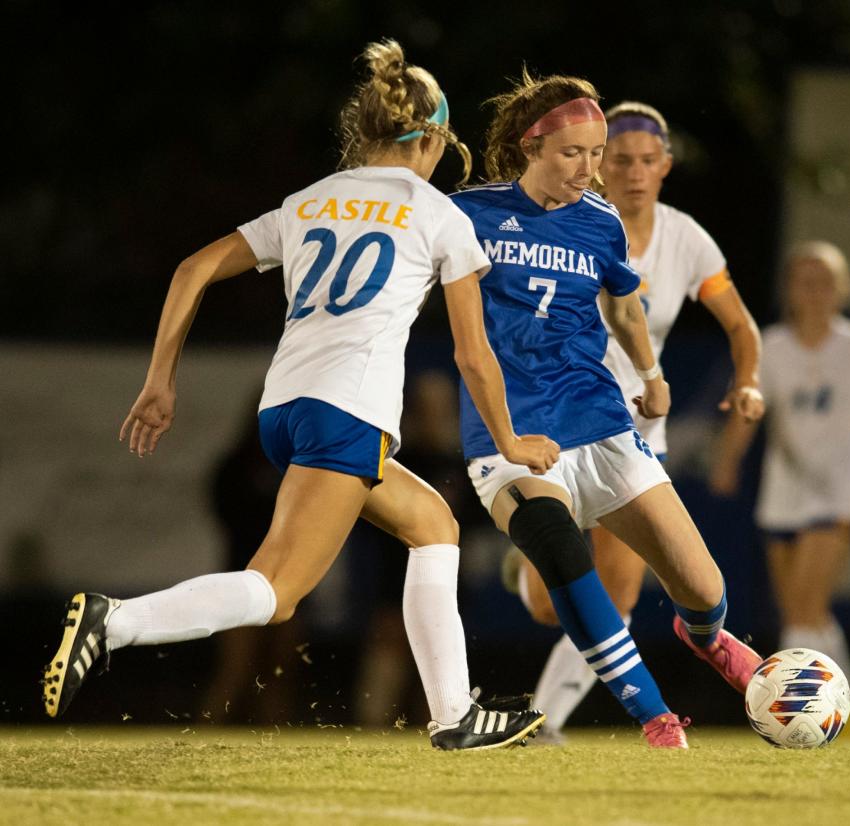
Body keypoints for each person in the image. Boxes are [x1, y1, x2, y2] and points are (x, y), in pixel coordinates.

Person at [42, 40, 559, 751]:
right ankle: (116, 621)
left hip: (286, 407)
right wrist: (509, 441)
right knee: (275, 591)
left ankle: (454, 714)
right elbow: (473, 354)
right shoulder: (441, 215)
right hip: (347, 410)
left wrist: (160, 379)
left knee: (432, 525)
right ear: (433, 137)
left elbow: (193, 269)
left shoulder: (311, 200)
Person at [449, 71, 763, 749]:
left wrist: (650, 372)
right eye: (576, 154)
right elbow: (447, 330)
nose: (590, 169)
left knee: (704, 590)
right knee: (567, 562)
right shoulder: (467, 216)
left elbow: (622, 302)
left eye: (598, 154)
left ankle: (705, 640)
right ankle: (655, 716)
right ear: (531, 145)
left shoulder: (599, 221)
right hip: (511, 434)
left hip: (602, 421)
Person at [710, 240, 850, 734]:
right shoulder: (772, 347)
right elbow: (749, 408)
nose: (814, 290)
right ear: (790, 290)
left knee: (802, 615)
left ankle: (798, 713)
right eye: (804, 280)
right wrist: (728, 460)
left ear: (841, 290)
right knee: (804, 613)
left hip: (840, 495)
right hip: (784, 496)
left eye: (824, 281)